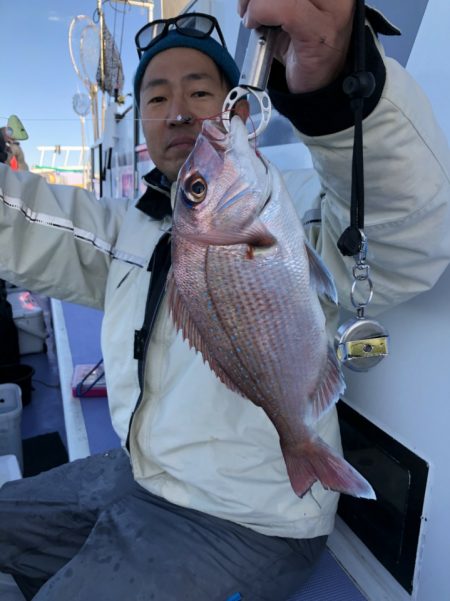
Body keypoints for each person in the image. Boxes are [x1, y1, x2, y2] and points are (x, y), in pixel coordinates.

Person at [1, 1, 450, 599]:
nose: (180, 112)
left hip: (249, 519)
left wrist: (339, 84)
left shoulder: (293, 203)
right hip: (140, 476)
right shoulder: (129, 231)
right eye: (157, 98)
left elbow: (400, 241)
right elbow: (30, 224)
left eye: (200, 92)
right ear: (142, 122)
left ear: (238, 107)